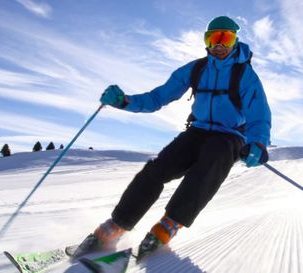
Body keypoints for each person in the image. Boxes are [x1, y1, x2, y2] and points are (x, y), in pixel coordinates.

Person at [73, 16, 272, 260]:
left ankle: (167, 226)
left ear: (235, 42)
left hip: (229, 136)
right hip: (197, 131)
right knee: (156, 170)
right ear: (206, 41)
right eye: (213, 38)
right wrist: (124, 101)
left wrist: (258, 143)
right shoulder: (196, 69)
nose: (219, 44)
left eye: (226, 38)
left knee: (207, 168)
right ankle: (116, 225)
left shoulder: (246, 75)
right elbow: (158, 97)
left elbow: (258, 114)